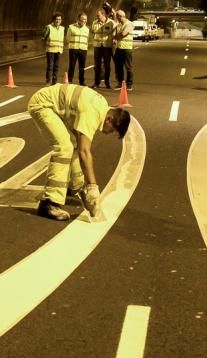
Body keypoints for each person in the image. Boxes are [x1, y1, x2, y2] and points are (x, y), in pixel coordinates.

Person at [27, 83, 130, 221]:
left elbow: (79, 145)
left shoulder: (101, 107)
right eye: (111, 130)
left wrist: (83, 190)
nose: (108, 133)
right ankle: (48, 203)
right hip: (43, 105)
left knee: (74, 145)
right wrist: (93, 188)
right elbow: (85, 152)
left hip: (52, 105)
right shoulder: (92, 113)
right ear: (109, 120)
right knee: (64, 148)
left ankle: (76, 188)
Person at [91, 8, 116, 89]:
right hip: (97, 46)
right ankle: (96, 82)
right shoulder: (94, 23)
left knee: (107, 65)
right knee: (97, 65)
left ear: (103, 15)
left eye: (98, 15)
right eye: (97, 15)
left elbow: (115, 32)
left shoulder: (111, 23)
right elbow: (92, 32)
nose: (97, 17)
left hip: (107, 46)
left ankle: (107, 83)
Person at [114, 9, 134, 91]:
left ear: (120, 16)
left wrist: (118, 36)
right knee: (119, 67)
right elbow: (114, 35)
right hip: (119, 48)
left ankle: (129, 84)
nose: (117, 18)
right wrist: (118, 36)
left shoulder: (129, 24)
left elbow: (123, 34)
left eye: (117, 17)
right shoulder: (119, 25)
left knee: (128, 67)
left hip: (127, 48)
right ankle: (120, 83)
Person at [66, 12, 89, 86]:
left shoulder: (87, 29)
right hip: (74, 49)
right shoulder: (71, 27)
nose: (84, 21)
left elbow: (87, 39)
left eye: (85, 19)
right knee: (72, 65)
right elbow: (67, 38)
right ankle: (70, 80)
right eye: (82, 19)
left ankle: (81, 81)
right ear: (78, 19)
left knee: (82, 67)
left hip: (83, 49)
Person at [43, 13, 64, 85]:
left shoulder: (62, 28)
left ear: (61, 20)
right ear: (53, 20)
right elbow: (43, 37)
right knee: (50, 66)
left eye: (59, 19)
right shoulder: (49, 27)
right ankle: (48, 80)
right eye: (56, 19)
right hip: (51, 50)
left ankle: (54, 81)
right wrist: (47, 44)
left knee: (56, 66)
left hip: (58, 50)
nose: (58, 21)